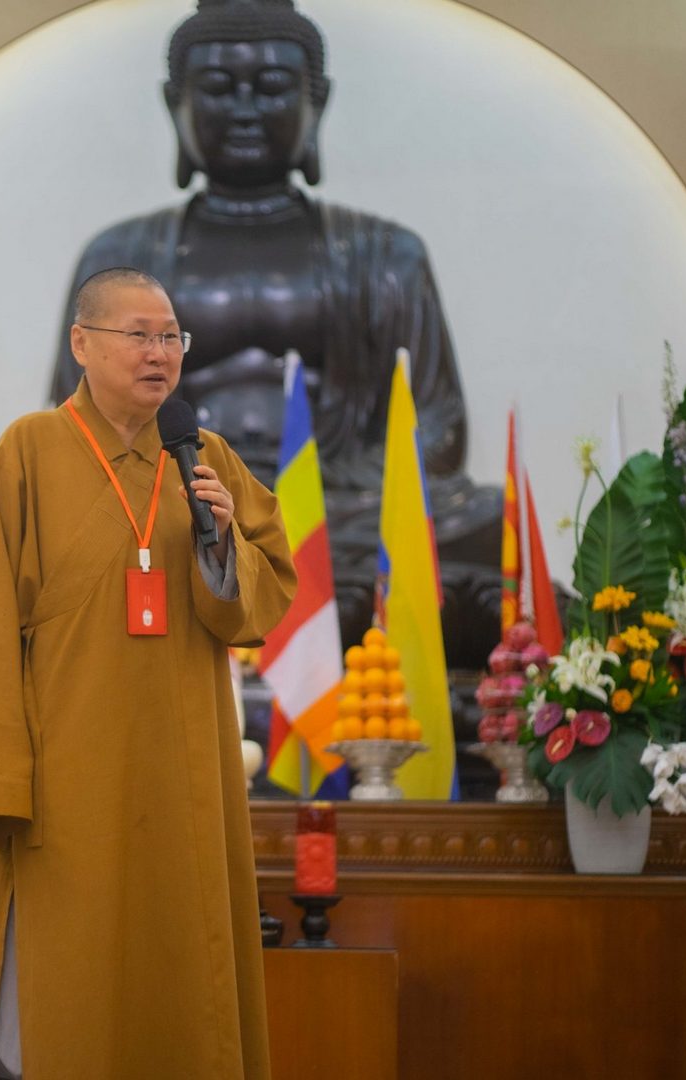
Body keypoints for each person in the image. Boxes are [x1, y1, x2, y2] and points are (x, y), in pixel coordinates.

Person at [48, 0, 504, 667]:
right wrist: (178, 487)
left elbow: (439, 428)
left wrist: (305, 491)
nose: (245, 110)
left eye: (271, 88)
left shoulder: (388, 254)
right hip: (172, 501)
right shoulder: (118, 258)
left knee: (484, 521)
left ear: (317, 102)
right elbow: (74, 420)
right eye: (217, 87)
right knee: (71, 523)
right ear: (175, 104)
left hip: (335, 510)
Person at [0, 268, 297, 1079]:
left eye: (171, 337)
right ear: (82, 343)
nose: (159, 353)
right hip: (66, 789)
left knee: (180, 990)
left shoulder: (205, 457)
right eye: (138, 335)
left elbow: (265, 594)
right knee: (63, 1001)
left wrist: (222, 542)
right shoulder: (30, 450)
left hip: (184, 785)